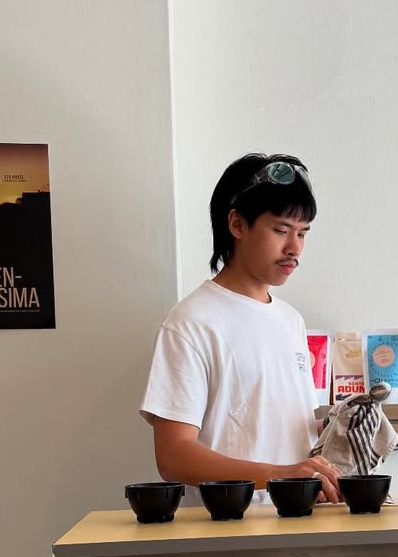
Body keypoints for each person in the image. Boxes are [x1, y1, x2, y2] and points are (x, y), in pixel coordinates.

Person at [140, 153, 341, 505]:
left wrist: (342, 428)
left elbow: (283, 430)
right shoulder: (191, 322)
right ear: (237, 225)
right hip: (227, 528)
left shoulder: (291, 321)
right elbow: (173, 456)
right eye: (281, 230)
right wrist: (280, 475)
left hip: (299, 522)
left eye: (302, 233)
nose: (294, 248)